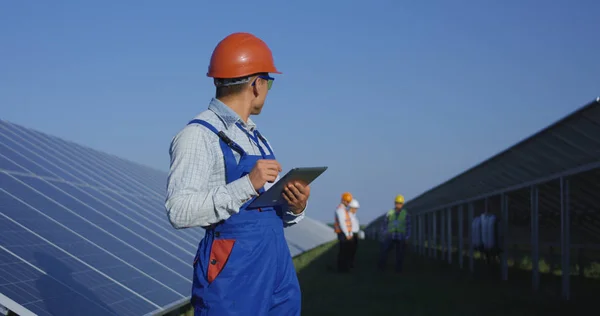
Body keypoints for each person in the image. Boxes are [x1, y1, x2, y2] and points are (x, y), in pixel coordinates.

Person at [165, 32, 311, 316]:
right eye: (268, 82)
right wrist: (247, 184)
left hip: (275, 264)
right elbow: (178, 211)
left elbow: (266, 211)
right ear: (257, 84)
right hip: (233, 272)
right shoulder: (197, 135)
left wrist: (295, 206)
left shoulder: (257, 137)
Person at [378, 194, 411, 273]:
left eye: (400, 203)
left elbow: (408, 226)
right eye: (397, 203)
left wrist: (407, 238)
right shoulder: (390, 213)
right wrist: (385, 234)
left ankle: (398, 269)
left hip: (401, 236)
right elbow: (384, 224)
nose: (398, 205)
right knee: (384, 251)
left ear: (402, 204)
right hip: (390, 236)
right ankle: (381, 268)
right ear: (394, 203)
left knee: (400, 254)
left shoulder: (405, 214)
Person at [333, 192, 353, 273]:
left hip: (345, 234)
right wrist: (347, 234)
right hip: (343, 234)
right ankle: (342, 269)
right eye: (347, 202)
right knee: (343, 252)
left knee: (345, 252)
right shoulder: (340, 210)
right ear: (343, 201)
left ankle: (344, 268)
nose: (348, 204)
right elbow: (342, 223)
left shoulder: (343, 210)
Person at [348, 199, 360, 268]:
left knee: (353, 250)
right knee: (350, 250)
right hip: (351, 234)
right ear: (351, 208)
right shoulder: (348, 216)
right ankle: (349, 264)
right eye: (355, 208)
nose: (356, 210)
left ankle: (351, 263)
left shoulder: (353, 216)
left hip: (355, 234)